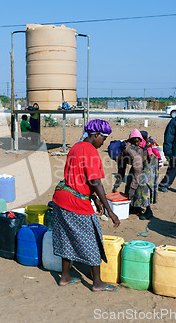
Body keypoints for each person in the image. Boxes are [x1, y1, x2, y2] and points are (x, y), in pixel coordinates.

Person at [51, 119, 120, 292]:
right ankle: (97, 283)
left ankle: (65, 277)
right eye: (103, 138)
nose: (103, 142)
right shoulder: (90, 151)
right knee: (93, 240)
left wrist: (94, 198)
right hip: (75, 203)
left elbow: (77, 176)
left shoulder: (76, 146)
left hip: (60, 198)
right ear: (95, 134)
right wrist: (110, 211)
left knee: (66, 237)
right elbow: (95, 181)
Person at [113, 129, 159, 220]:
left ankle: (148, 210)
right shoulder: (121, 152)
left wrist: (132, 190)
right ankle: (135, 206)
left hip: (150, 163)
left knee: (143, 185)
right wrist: (116, 184)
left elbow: (137, 173)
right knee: (130, 180)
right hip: (139, 163)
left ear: (121, 153)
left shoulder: (133, 154)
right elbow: (121, 170)